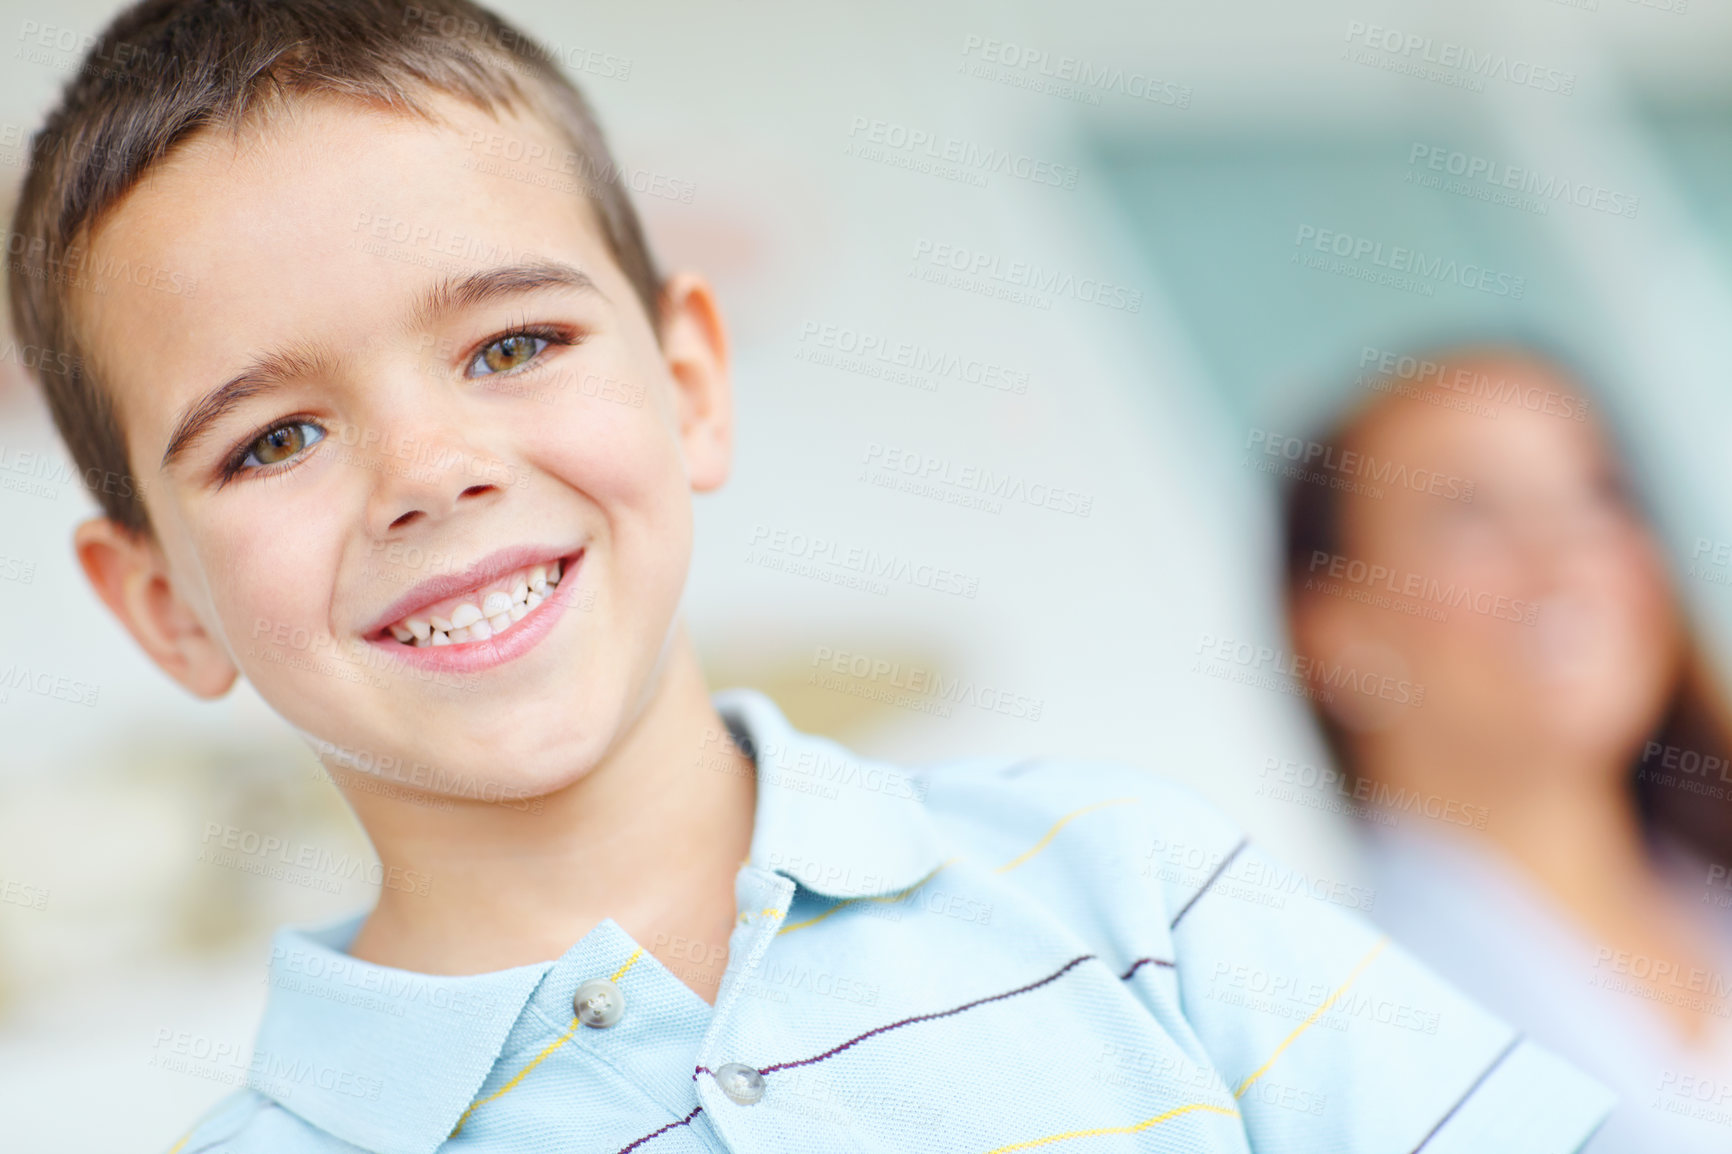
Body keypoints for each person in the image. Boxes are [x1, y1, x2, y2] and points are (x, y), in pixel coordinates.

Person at [9, 3, 1609, 1150]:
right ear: (158, 599)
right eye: (274, 440)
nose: (431, 471)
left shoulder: (1132, 895)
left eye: (514, 343)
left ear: (691, 380)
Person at [1283, 343, 1732, 1152]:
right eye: (1470, 514)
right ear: (1338, 634)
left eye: (1599, 496)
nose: (1563, 559)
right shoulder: (1336, 1041)